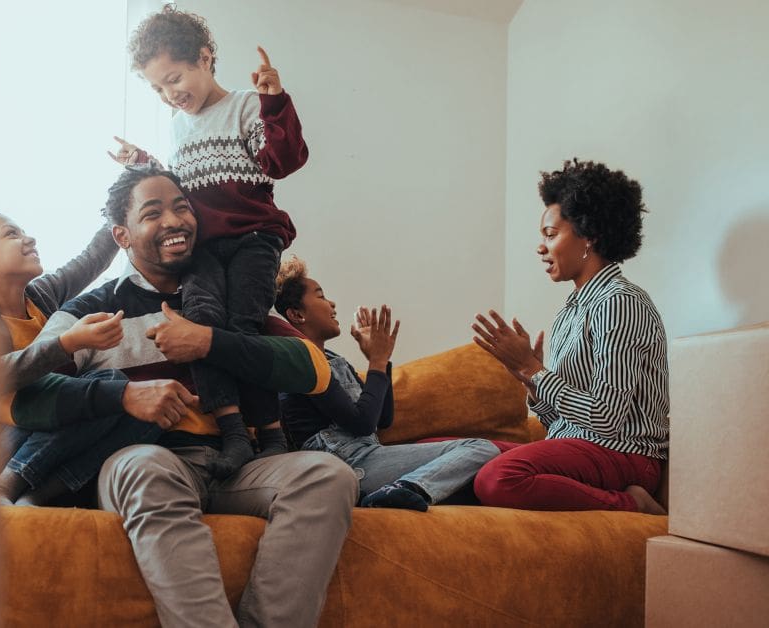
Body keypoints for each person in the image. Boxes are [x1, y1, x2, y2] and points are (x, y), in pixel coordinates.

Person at [10, 165, 356, 627]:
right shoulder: (88, 309)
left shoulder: (232, 296)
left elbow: (315, 371)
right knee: (144, 466)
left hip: (238, 466)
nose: (175, 221)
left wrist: (210, 341)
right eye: (153, 213)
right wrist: (124, 397)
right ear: (122, 235)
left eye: (181, 207)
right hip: (144, 459)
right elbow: (22, 399)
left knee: (329, 476)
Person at [105, 6, 309, 478]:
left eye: (174, 79)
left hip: (252, 239)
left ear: (204, 58)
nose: (169, 95)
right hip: (202, 248)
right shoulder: (178, 127)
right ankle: (234, 430)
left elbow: (283, 160)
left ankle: (272, 433)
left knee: (242, 327)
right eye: (157, 88)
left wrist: (274, 101)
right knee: (200, 328)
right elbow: (179, 186)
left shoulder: (244, 106)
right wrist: (143, 160)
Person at [0, 212, 158, 506]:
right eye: (12, 234)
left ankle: (34, 497)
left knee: (152, 406)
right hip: (0, 442)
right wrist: (66, 343)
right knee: (112, 386)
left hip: (47, 431)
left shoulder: (42, 295)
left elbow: (93, 258)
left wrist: (125, 205)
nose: (29, 239)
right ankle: (6, 484)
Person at [470, 158, 669, 514]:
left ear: (589, 235)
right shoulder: (568, 313)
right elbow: (554, 420)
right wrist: (528, 378)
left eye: (550, 234)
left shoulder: (620, 302)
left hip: (626, 454)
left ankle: (632, 503)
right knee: (460, 453)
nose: (540, 247)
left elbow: (607, 418)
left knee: (496, 478)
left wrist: (534, 370)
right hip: (576, 446)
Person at [274, 256, 501, 511]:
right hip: (344, 463)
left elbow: (382, 419)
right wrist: (378, 362)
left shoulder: (333, 360)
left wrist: (379, 359)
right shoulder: (300, 361)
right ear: (296, 314)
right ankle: (404, 490)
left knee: (475, 474)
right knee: (480, 448)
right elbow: (362, 423)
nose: (332, 304)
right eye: (321, 296)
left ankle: (399, 490)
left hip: (365, 455)